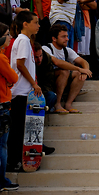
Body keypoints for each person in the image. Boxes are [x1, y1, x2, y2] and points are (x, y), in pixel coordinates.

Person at [7, 11, 39, 172]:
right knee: (17, 131)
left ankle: (16, 161)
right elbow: (20, 64)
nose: (38, 26)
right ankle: (14, 163)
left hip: (21, 92)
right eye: (35, 22)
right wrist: (34, 84)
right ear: (25, 24)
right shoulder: (23, 40)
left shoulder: (24, 40)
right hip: (20, 92)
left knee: (19, 130)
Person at [42, 24, 92, 113]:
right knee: (64, 72)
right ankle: (57, 103)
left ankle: (68, 103)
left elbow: (84, 62)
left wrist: (85, 71)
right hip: (48, 81)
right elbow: (57, 62)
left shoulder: (67, 50)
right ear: (54, 38)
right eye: (63, 37)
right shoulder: (46, 48)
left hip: (63, 79)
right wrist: (79, 69)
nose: (67, 39)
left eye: (67, 36)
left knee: (79, 75)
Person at [0, 23, 19, 191]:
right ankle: (2, 180)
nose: (10, 38)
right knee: (2, 146)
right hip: (2, 105)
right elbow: (13, 77)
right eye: (7, 34)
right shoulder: (1, 58)